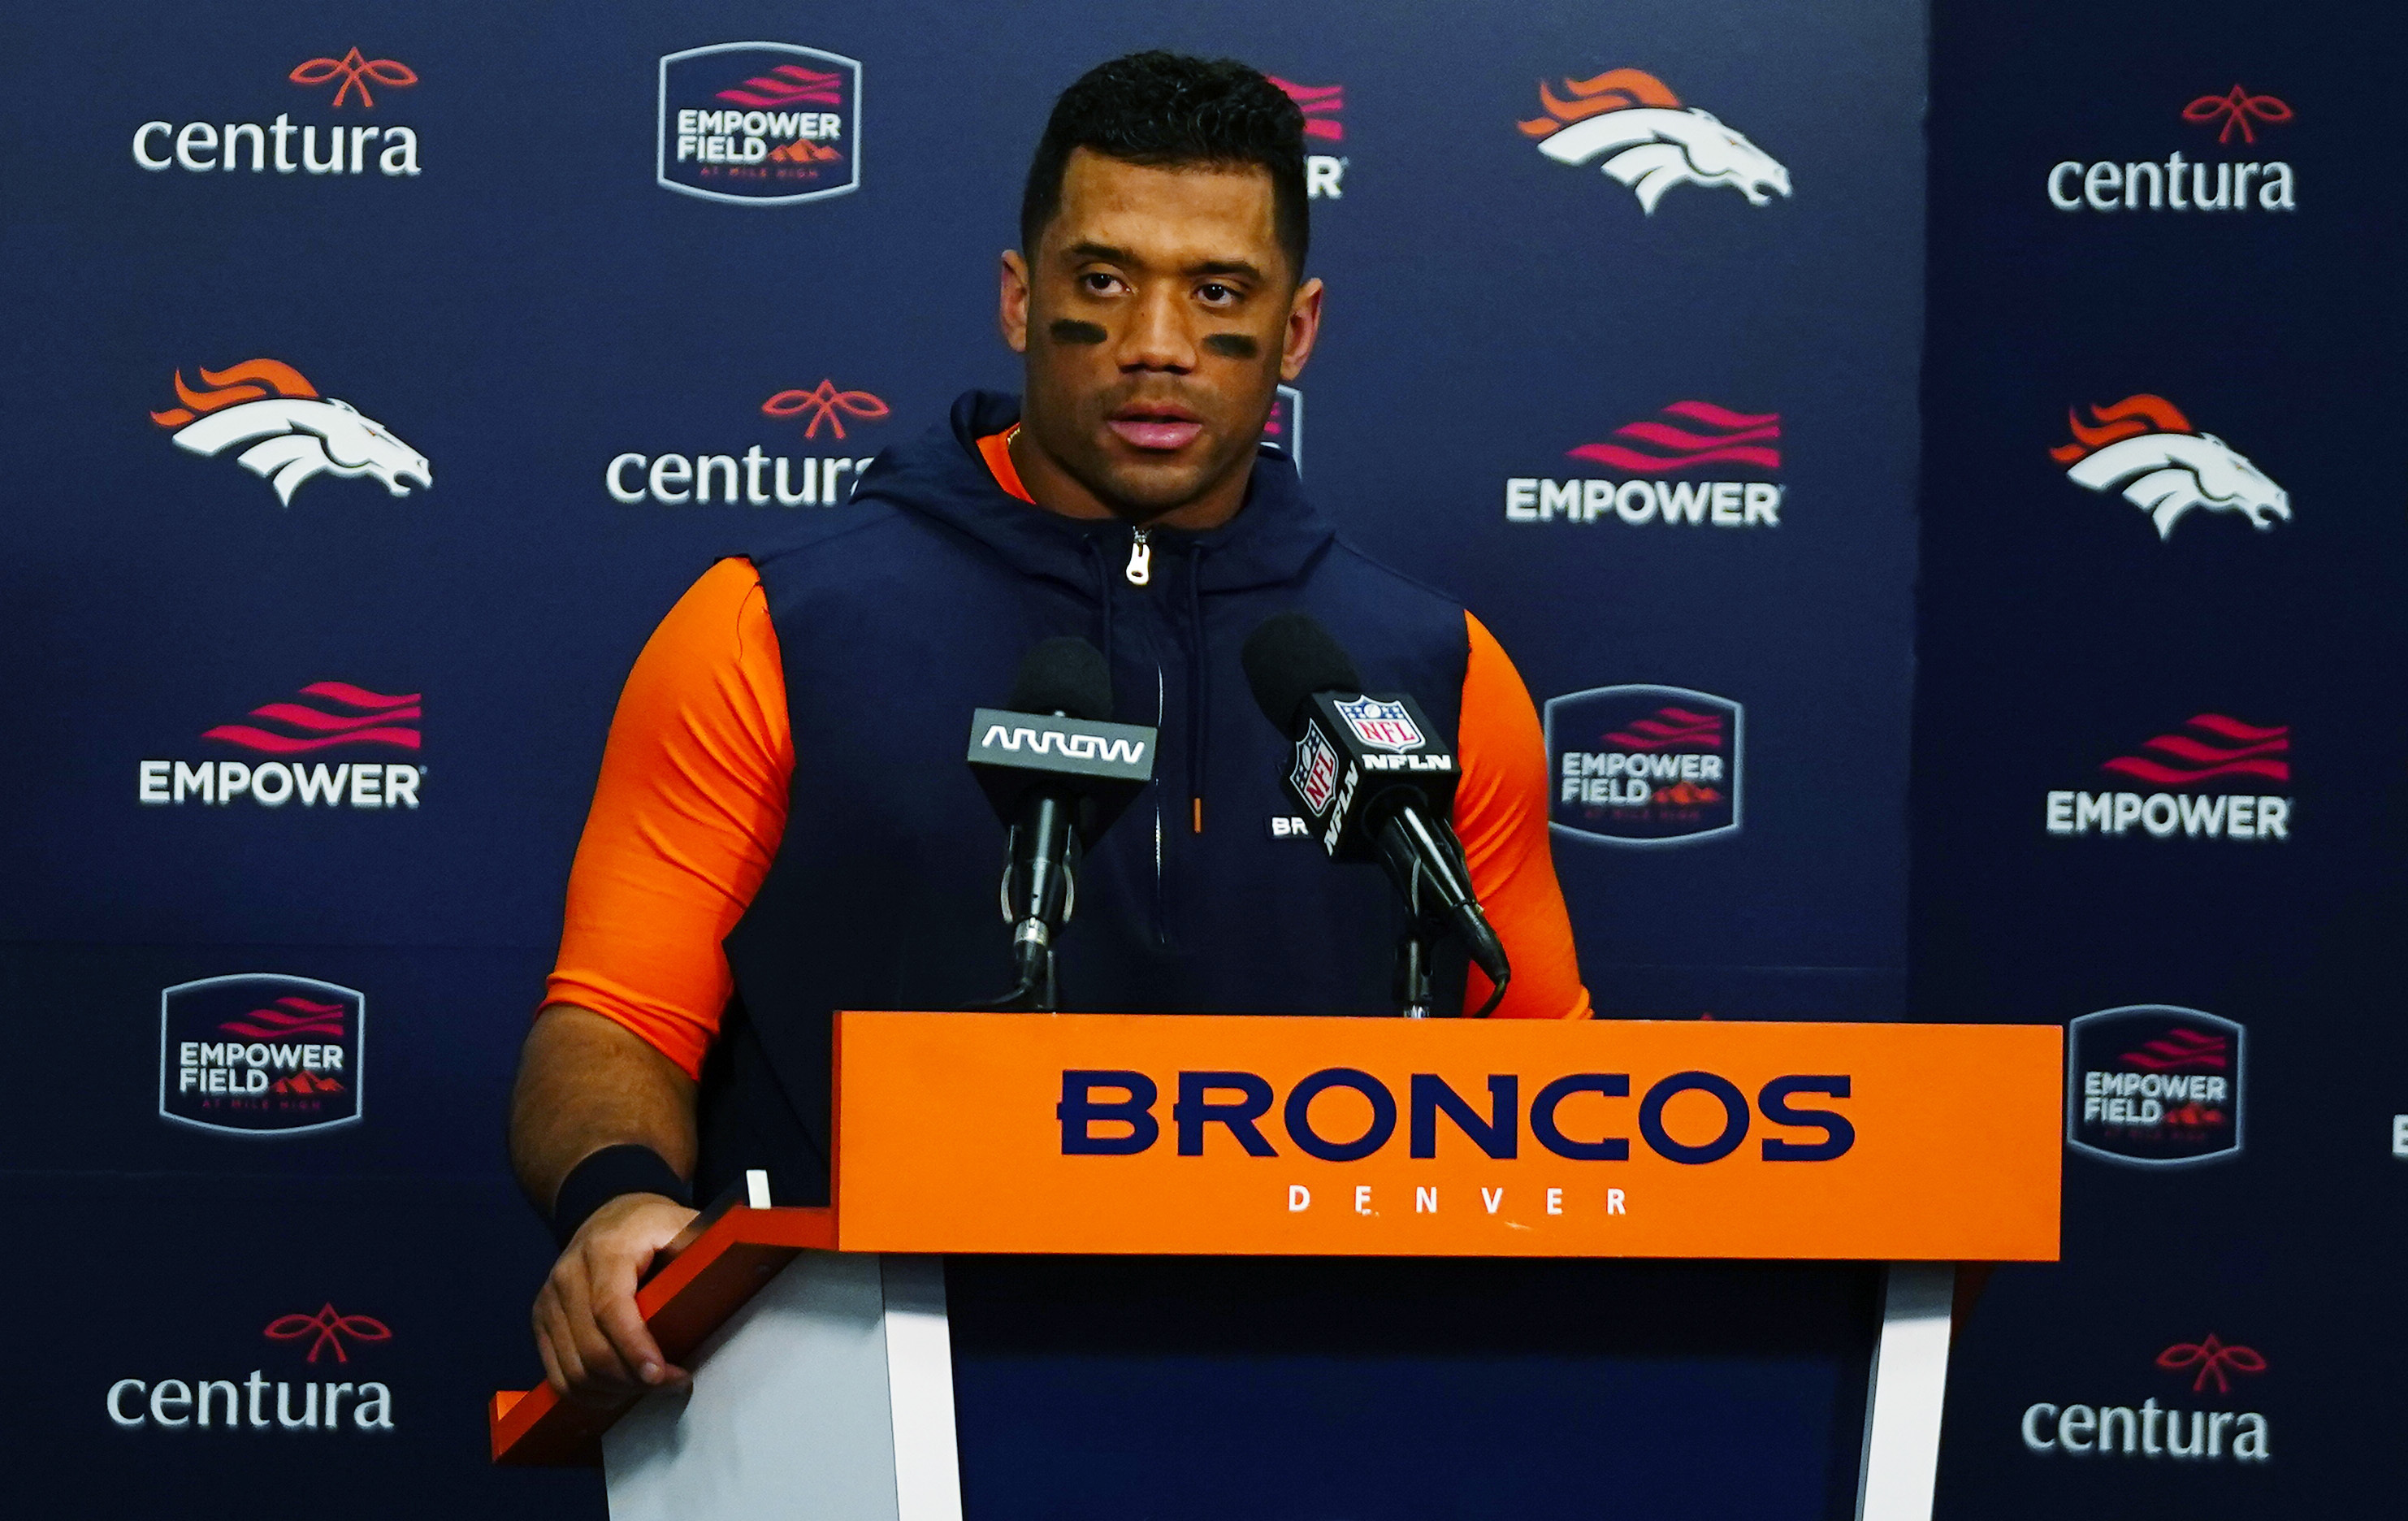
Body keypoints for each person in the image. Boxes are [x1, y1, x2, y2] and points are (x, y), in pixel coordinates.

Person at [510, 51, 1591, 1406]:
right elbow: (616, 1018)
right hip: (849, 1411)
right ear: (1021, 299)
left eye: (1218, 292)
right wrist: (618, 1199)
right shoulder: (775, 625)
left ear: (1300, 328)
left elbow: (1549, 1084)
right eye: (1104, 279)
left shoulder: (1434, 667)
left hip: (1320, 1405)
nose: (1157, 343)